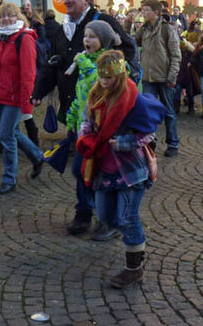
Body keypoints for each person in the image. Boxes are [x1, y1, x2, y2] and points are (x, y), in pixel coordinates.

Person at [76, 50, 165, 289]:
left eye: (110, 77)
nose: (105, 81)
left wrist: (124, 143)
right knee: (106, 217)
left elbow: (148, 133)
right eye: (102, 76)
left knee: (127, 218)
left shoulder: (133, 100)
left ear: (119, 75)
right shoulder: (96, 94)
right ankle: (130, 239)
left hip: (130, 170)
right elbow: (87, 120)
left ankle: (134, 267)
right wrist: (84, 137)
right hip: (103, 167)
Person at [39, 0, 135, 122]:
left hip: (102, 106)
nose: (66, 1)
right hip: (74, 106)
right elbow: (52, 62)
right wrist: (39, 91)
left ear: (86, 0)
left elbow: (126, 51)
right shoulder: (63, 29)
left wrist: (105, 77)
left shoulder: (104, 21)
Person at [0, 2, 45, 195]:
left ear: (18, 17)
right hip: (1, 93)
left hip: (15, 96)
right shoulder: (1, 38)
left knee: (6, 135)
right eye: (4, 16)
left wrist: (26, 104)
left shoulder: (24, 39)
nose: (7, 19)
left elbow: (28, 74)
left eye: (11, 16)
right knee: (11, 132)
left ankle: (9, 179)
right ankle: (37, 156)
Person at [65, 19, 121, 237]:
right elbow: (82, 96)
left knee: (100, 176)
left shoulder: (112, 61)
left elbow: (98, 84)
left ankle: (108, 221)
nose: (87, 40)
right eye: (86, 36)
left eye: (92, 37)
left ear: (103, 41)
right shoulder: (86, 60)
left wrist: (84, 65)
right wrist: (71, 118)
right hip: (84, 130)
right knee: (80, 172)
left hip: (104, 131)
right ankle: (84, 213)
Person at [135, 0, 181, 157]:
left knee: (168, 112)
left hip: (165, 77)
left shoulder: (167, 29)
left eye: (147, 10)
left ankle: (173, 143)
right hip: (148, 77)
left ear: (156, 12)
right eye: (142, 10)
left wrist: (172, 76)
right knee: (147, 112)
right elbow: (135, 40)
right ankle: (149, 142)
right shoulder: (145, 29)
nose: (143, 13)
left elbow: (176, 55)